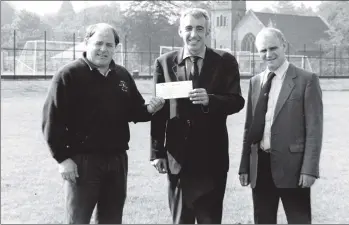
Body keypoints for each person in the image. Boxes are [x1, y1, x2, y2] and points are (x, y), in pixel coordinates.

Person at [42, 23, 164, 224]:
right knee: (78, 220)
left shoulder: (122, 75)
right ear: (86, 43)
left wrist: (150, 109)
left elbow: (135, 110)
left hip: (117, 161)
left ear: (116, 48)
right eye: (98, 43)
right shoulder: (68, 75)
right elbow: (51, 120)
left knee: (111, 219)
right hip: (82, 161)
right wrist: (63, 159)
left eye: (109, 45)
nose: (103, 49)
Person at [150, 8, 245, 224]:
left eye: (200, 28)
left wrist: (211, 100)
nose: (194, 34)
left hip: (212, 158)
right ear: (180, 31)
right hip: (178, 158)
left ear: (208, 31)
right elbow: (159, 112)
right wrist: (157, 152)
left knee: (209, 220)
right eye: (189, 28)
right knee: (181, 220)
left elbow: (237, 101)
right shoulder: (164, 63)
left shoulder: (225, 61)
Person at [238, 27, 323, 224]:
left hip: (293, 168)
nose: (268, 54)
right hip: (260, 167)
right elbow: (249, 128)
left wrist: (309, 169)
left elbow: (314, 130)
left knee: (298, 220)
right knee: (263, 220)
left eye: (273, 47)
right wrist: (244, 165)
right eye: (262, 50)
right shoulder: (255, 82)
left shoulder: (306, 80)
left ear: (284, 45)